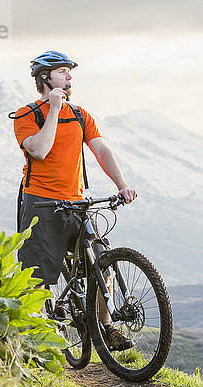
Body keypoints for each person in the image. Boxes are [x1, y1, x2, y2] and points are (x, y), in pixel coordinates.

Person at [13, 51, 137, 351]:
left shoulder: (81, 114)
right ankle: (34, 343)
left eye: (70, 72)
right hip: (41, 203)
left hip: (77, 203)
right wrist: (54, 109)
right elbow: (39, 151)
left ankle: (106, 329)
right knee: (37, 277)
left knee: (102, 265)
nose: (69, 77)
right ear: (45, 78)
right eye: (62, 71)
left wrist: (122, 185)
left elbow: (101, 150)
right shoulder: (26, 115)